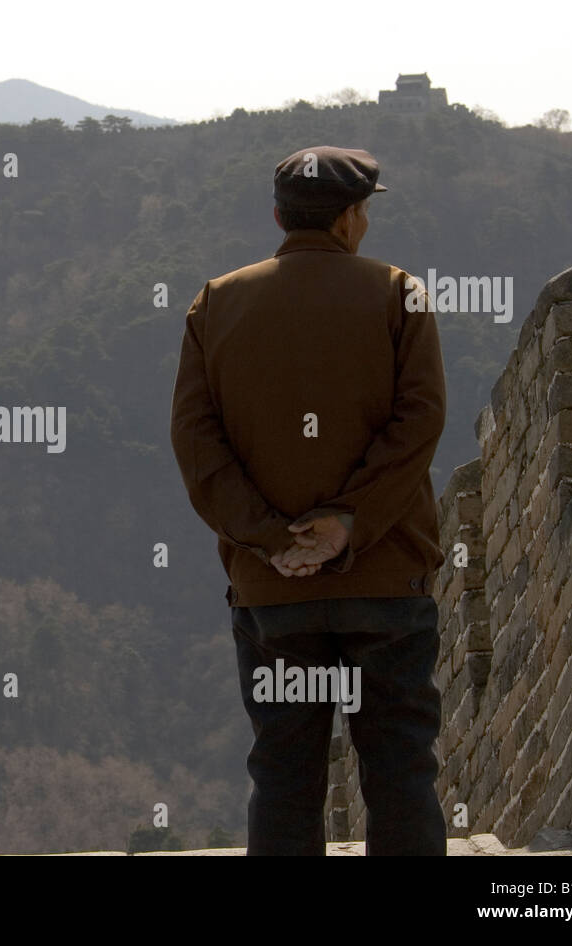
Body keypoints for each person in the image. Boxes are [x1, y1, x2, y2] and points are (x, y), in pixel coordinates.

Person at [169, 146, 448, 855]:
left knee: (286, 776)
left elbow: (198, 448)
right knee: (399, 770)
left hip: (275, 594)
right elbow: (420, 422)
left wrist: (272, 538)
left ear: (277, 216)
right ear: (353, 218)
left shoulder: (216, 302)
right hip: (385, 583)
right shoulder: (400, 295)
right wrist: (347, 524)